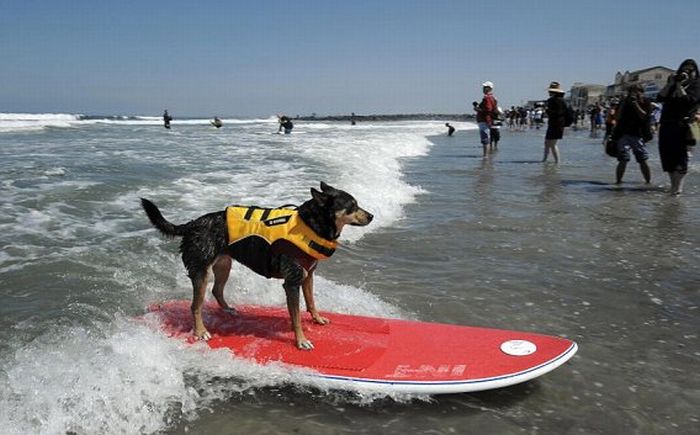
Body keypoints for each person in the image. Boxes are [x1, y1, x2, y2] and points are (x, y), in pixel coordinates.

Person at [656, 58, 700, 195]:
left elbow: (688, 101)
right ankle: (673, 185)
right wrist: (671, 83)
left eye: (691, 70)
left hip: (689, 124)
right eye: (684, 69)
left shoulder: (697, 84)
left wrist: (680, 87)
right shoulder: (673, 83)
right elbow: (660, 97)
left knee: (682, 155)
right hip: (667, 123)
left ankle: (678, 188)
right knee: (667, 154)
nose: (687, 72)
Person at [611, 84, 652, 184]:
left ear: (642, 92)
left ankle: (648, 182)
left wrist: (636, 104)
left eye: (637, 91)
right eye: (632, 91)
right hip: (623, 133)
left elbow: (644, 116)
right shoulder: (624, 101)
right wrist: (624, 103)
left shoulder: (645, 101)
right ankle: (618, 182)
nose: (635, 93)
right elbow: (617, 117)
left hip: (638, 134)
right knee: (623, 159)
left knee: (643, 159)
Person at [542, 81, 566, 163]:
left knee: (552, 144)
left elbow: (558, 113)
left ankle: (557, 162)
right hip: (556, 124)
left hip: (557, 124)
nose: (548, 92)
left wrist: (547, 110)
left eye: (550, 91)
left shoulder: (557, 101)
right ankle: (545, 160)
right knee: (547, 143)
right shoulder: (559, 100)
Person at [475, 81, 497, 157]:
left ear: (489, 88)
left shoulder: (487, 98)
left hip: (484, 120)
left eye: (485, 87)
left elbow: (488, 109)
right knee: (486, 138)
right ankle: (486, 156)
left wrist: (478, 109)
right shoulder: (491, 97)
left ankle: (485, 156)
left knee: (485, 139)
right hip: (486, 120)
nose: (483, 89)